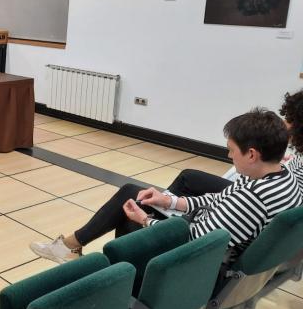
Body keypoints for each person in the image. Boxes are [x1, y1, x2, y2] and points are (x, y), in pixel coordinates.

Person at [30, 109, 302, 263]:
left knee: (130, 214)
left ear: (252, 154)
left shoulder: (252, 198)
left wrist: (146, 221)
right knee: (134, 194)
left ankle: (119, 280)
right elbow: (213, 201)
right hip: (208, 237)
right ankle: (72, 247)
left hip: (199, 261)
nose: (229, 156)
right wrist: (169, 202)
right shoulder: (279, 177)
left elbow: (191, 241)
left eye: (232, 150)